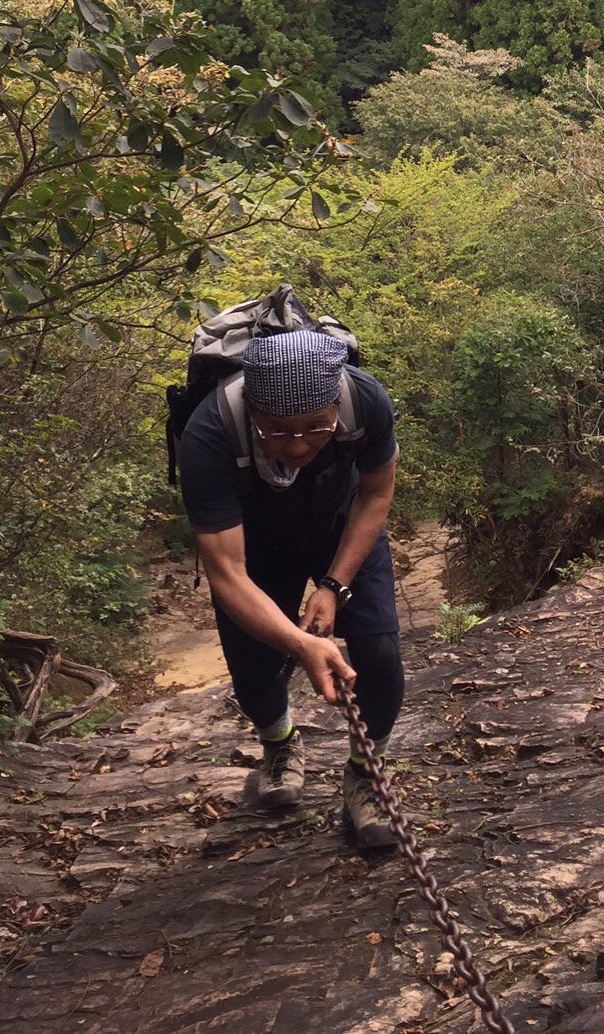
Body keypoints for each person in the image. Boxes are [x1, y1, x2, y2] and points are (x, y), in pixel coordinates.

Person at [177, 328, 403, 848]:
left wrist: (333, 585)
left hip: (342, 524)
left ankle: (365, 773)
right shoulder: (210, 433)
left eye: (316, 428)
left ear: (335, 405)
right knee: (254, 664)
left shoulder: (364, 399)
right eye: (276, 431)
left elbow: (375, 494)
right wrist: (299, 643)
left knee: (379, 649)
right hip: (255, 543)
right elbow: (227, 571)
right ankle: (279, 744)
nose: (298, 445)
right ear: (252, 411)